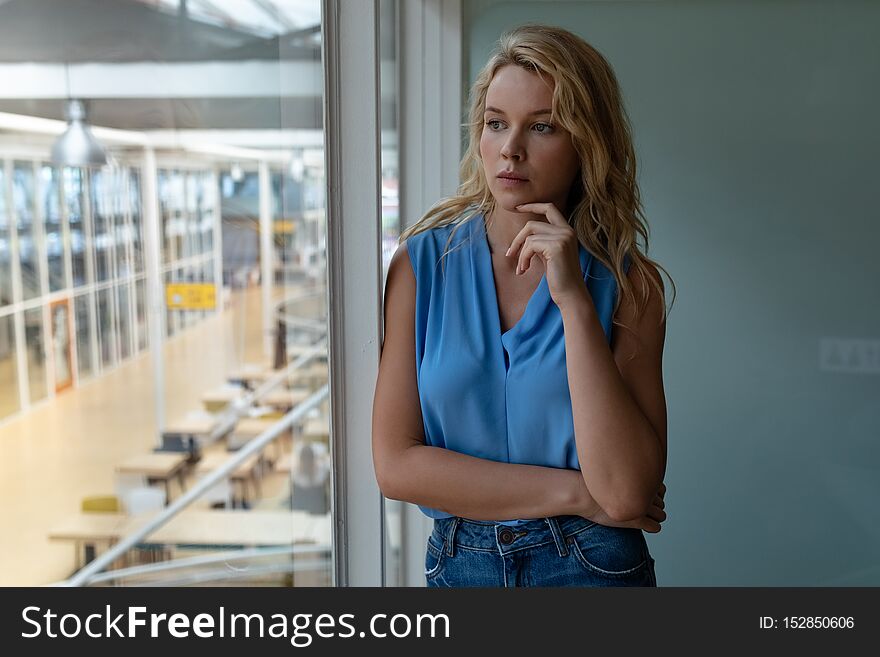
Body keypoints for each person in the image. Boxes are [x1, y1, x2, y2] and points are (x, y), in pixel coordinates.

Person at [372, 24, 674, 587]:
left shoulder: (631, 287)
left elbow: (630, 492)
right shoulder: (421, 267)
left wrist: (574, 304)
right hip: (461, 565)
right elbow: (396, 466)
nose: (510, 148)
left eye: (542, 126)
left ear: (586, 143)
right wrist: (574, 492)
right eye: (495, 123)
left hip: (593, 565)